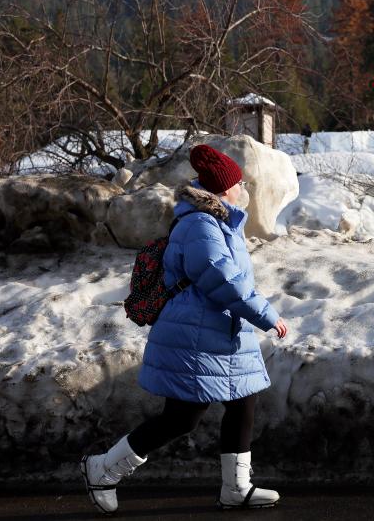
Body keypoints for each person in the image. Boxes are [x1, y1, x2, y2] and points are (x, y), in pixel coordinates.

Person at [81, 145, 289, 514]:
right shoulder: (200, 226)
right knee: (182, 417)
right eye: (240, 182)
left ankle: (236, 489)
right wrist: (267, 316)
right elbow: (223, 282)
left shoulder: (218, 221)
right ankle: (103, 468)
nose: (244, 188)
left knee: (243, 402)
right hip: (195, 335)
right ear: (225, 189)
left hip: (219, 334)